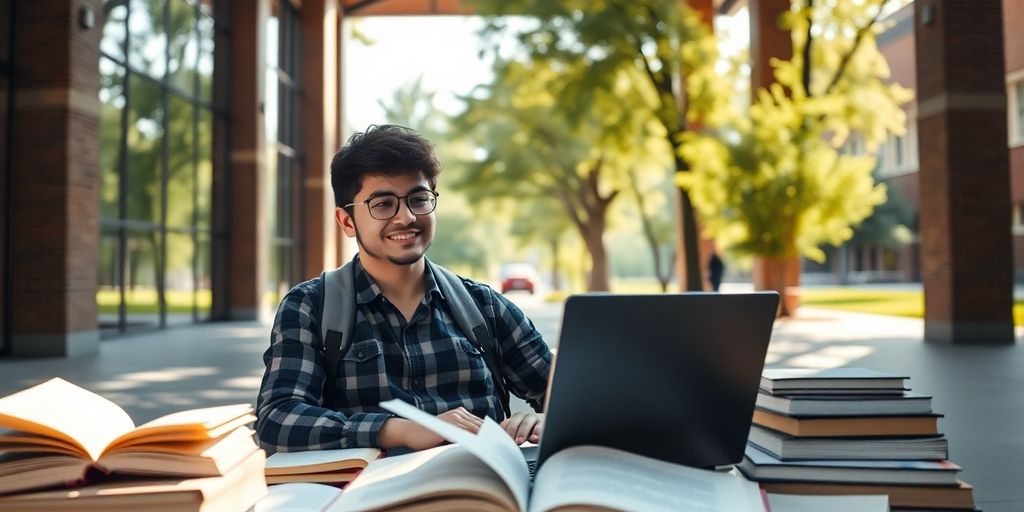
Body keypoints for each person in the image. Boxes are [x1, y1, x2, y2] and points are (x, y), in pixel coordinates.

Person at [255, 125, 552, 453]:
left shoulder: (485, 307)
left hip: (483, 489)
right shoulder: (310, 307)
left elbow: (575, 396)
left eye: (418, 199)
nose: (406, 217)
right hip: (371, 495)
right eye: (383, 204)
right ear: (346, 222)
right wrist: (398, 430)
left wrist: (548, 420)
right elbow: (277, 419)